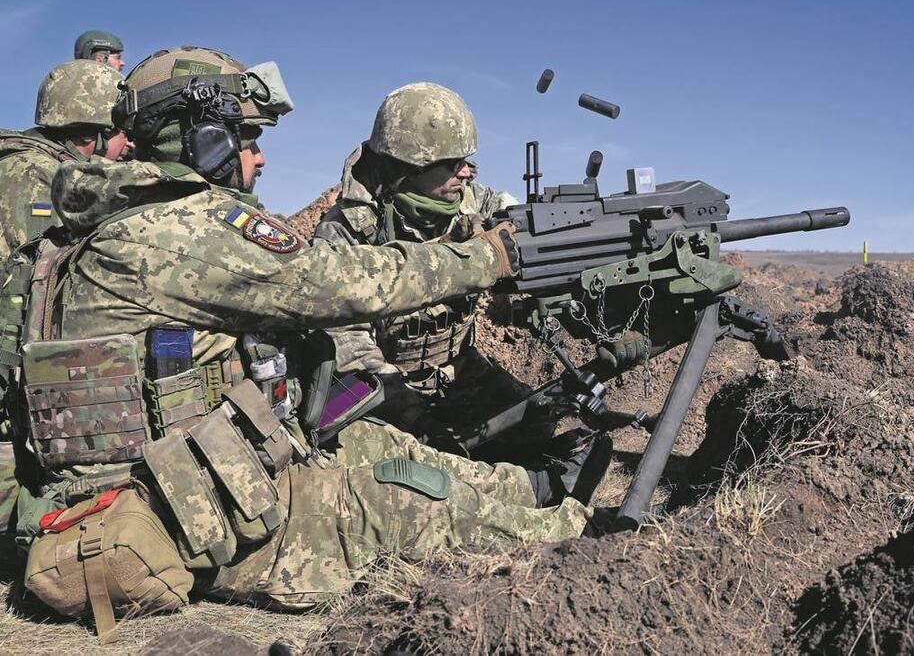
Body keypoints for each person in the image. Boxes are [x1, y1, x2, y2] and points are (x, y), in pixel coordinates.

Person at [9, 46, 611, 641]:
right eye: (246, 139)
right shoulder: (174, 233)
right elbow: (343, 282)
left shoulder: (127, 222)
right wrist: (493, 255)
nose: (261, 157)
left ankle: (531, 491)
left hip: (204, 471)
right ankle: (592, 544)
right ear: (203, 142)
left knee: (389, 449)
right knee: (404, 505)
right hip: (173, 515)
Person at [314, 84, 545, 454]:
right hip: (383, 386)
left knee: (540, 424)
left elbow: (520, 222)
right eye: (453, 163)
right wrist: (415, 419)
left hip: (458, 370)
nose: (467, 172)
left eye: (468, 161)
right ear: (410, 165)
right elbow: (349, 345)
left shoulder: (471, 201)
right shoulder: (345, 231)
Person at [0, 59, 132, 542]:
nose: (128, 145)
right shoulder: (47, 182)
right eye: (120, 132)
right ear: (90, 135)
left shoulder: (12, 164)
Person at [0, 60, 133, 258]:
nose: (132, 144)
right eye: (125, 133)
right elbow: (36, 271)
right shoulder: (35, 172)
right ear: (91, 133)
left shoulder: (47, 164)